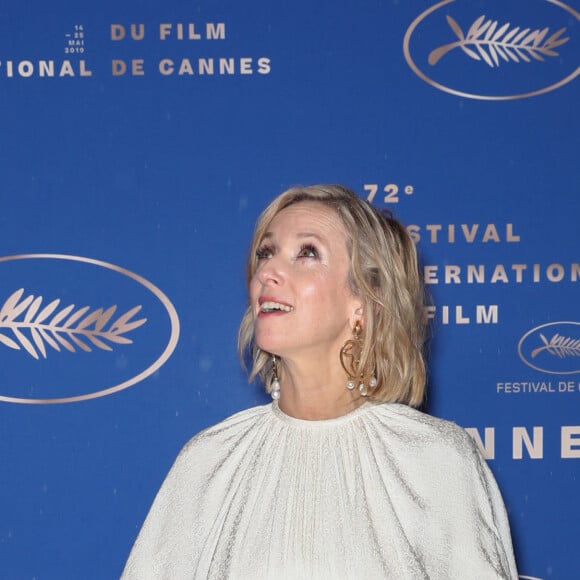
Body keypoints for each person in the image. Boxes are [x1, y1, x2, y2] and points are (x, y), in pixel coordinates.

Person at [122, 184, 518, 579]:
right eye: (266, 252)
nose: (267, 272)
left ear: (363, 302)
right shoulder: (208, 461)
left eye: (307, 253)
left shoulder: (437, 460)